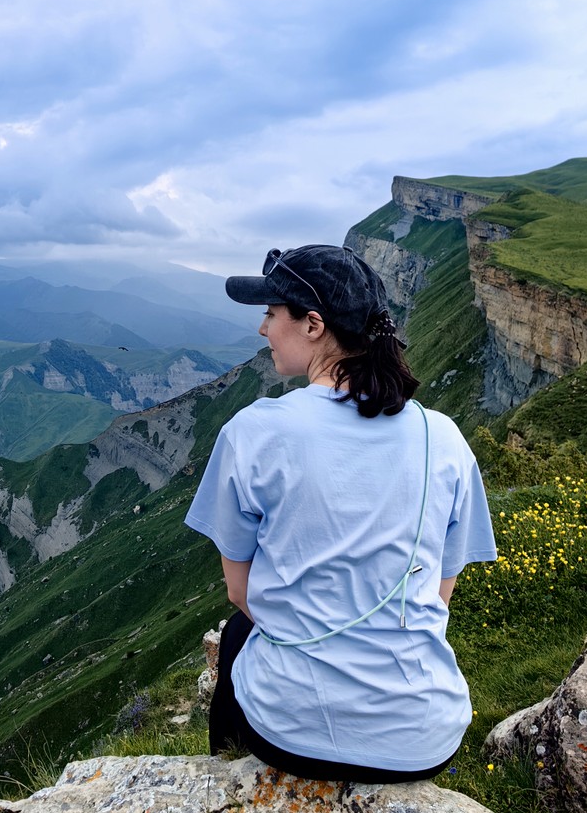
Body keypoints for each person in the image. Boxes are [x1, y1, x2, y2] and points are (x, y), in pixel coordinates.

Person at [185, 244, 497, 782]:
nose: (263, 329)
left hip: (294, 736)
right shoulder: (442, 437)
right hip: (424, 737)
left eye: (270, 313)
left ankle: (229, 780)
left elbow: (241, 593)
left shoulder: (255, 432)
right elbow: (435, 598)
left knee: (238, 631)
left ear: (312, 324)